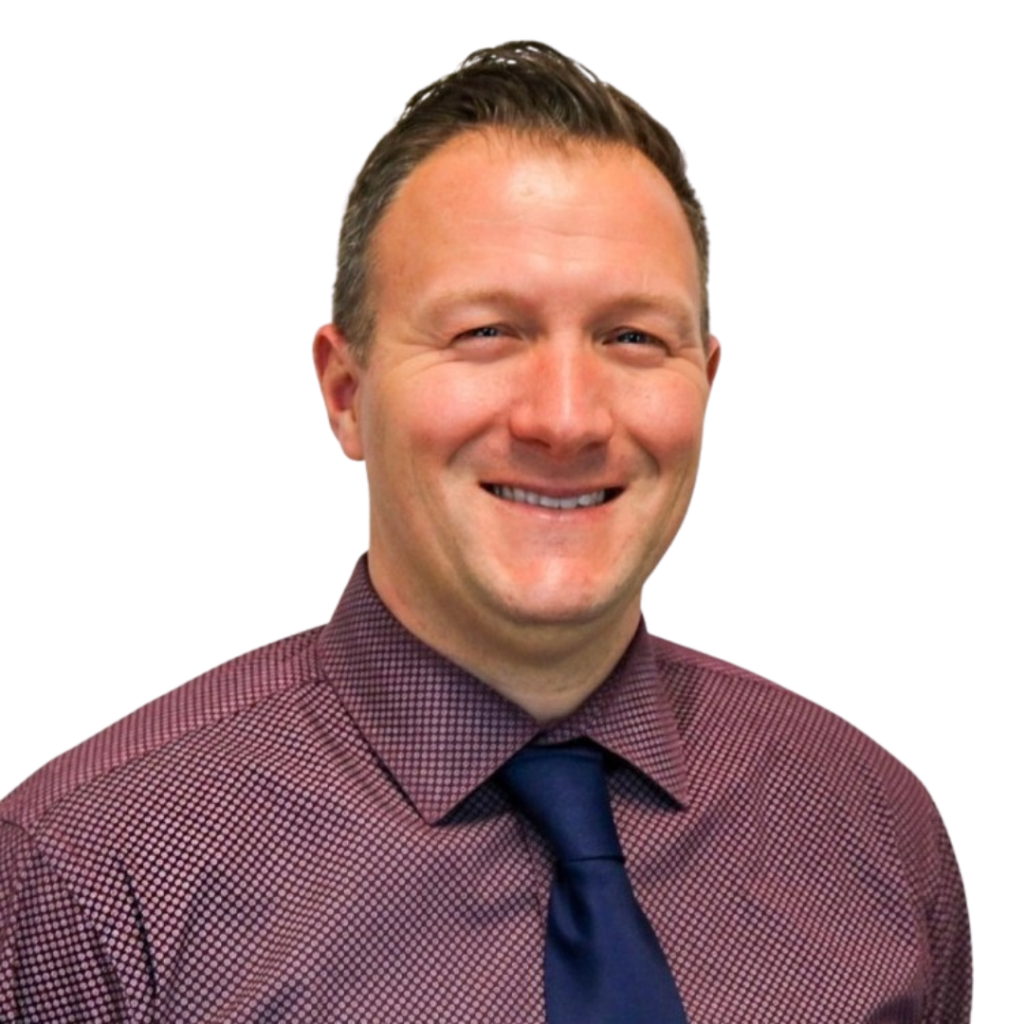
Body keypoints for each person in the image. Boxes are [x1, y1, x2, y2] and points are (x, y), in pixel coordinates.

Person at [0, 41, 969, 1023]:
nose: (566, 418)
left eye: (633, 337)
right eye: (486, 333)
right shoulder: (90, 881)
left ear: (704, 384)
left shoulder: (876, 835)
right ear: (346, 392)